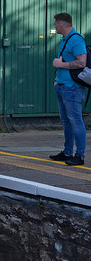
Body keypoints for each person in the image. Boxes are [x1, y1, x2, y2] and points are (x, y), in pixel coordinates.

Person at [50, 12, 87, 166]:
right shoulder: (65, 39)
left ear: (61, 24)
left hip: (72, 88)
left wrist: (60, 65)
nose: (54, 26)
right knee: (67, 121)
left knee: (75, 120)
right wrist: (57, 79)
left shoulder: (76, 40)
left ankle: (79, 156)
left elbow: (81, 63)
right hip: (62, 86)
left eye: (55, 24)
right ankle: (67, 152)